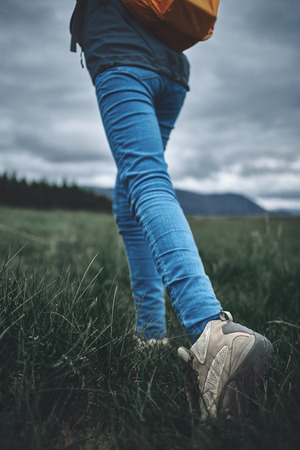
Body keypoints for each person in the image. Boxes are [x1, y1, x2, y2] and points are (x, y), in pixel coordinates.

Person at [70, 0, 274, 420]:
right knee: (132, 189)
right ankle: (150, 333)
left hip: (120, 47)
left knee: (144, 178)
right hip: (171, 65)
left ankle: (210, 331)